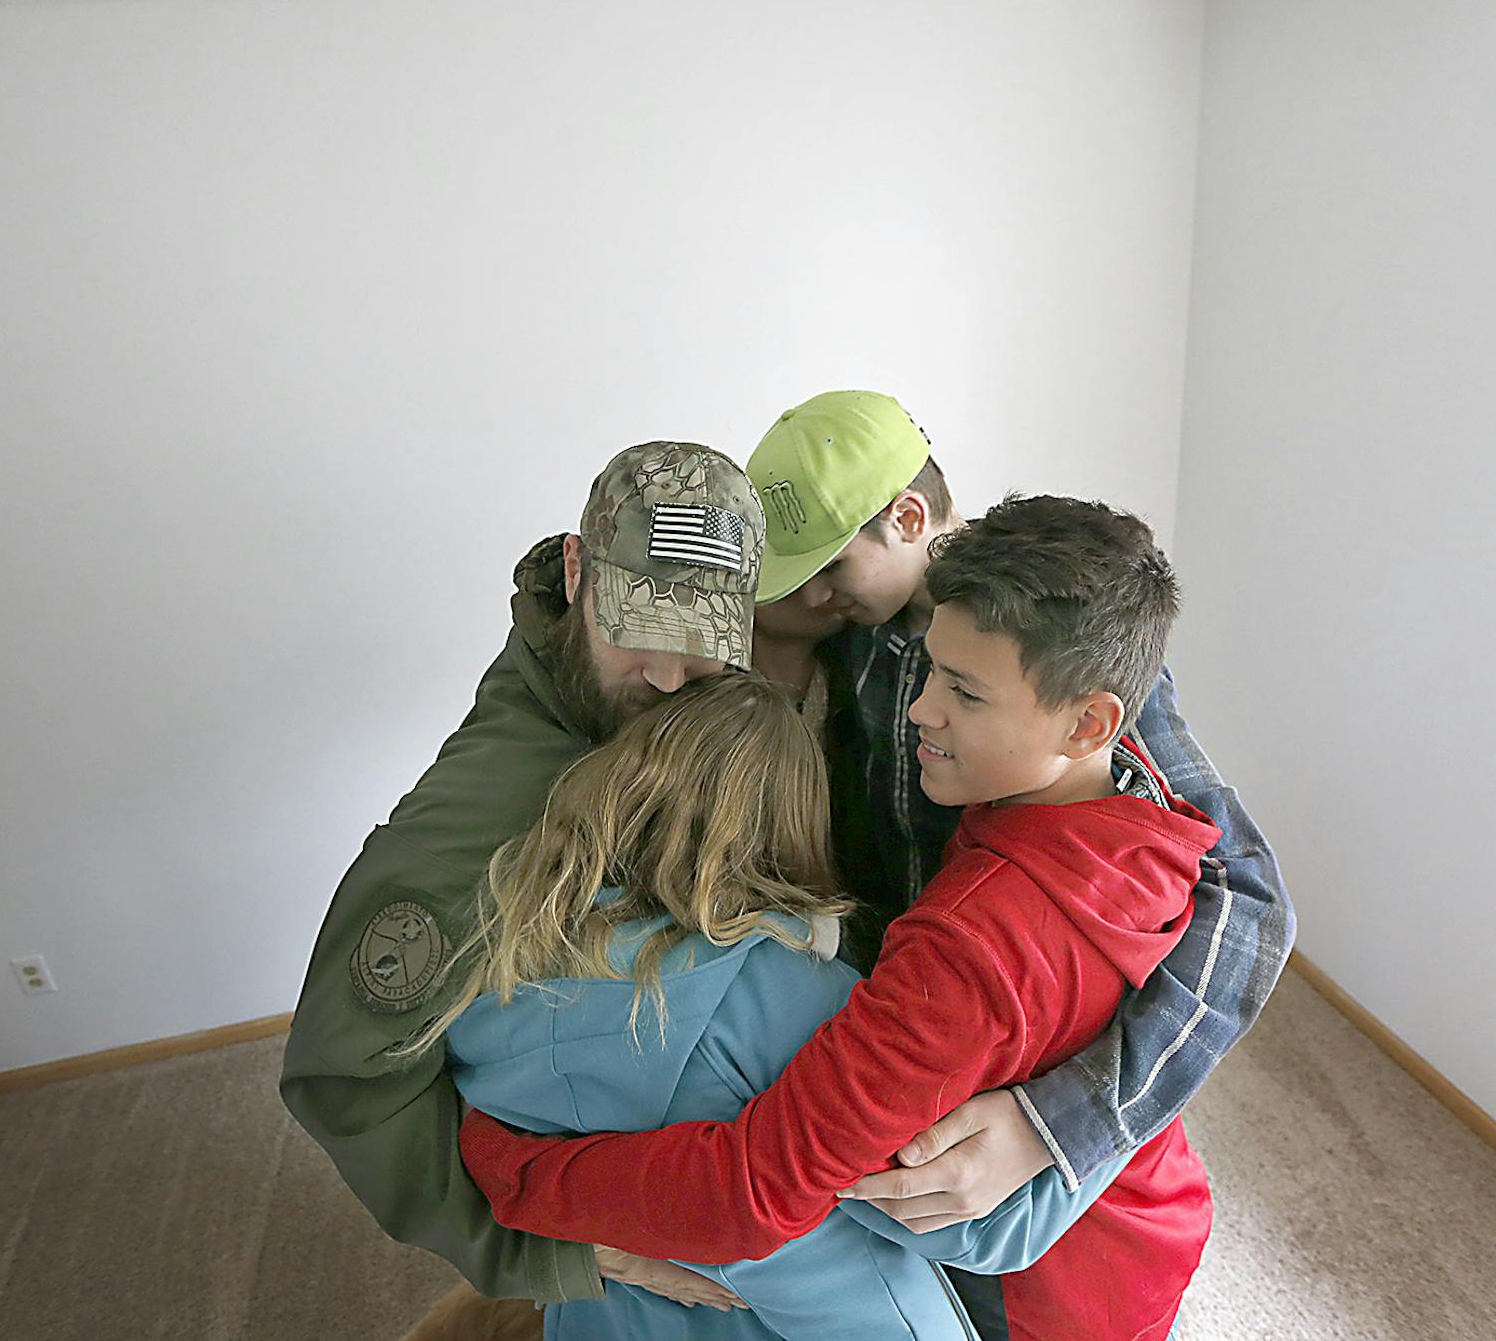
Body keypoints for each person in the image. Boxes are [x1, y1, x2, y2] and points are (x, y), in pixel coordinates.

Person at [464, 497, 1224, 1340]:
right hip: (1153, 1211)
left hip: (1052, 1296)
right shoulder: (1138, 814)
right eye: (933, 670)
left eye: (965, 693)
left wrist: (508, 1169)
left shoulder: (968, 947)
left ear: (1090, 724)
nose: (921, 709)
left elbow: (753, 1194)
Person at [744, 394, 1293, 1323]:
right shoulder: (859, 634)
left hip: (1033, 1023)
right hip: (925, 1009)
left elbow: (1249, 901)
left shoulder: (1068, 659)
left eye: (830, 569)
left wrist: (1061, 1126)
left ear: (907, 520)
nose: (812, 599)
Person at [409, 670, 1121, 1339]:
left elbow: (484, 1135)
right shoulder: (799, 999)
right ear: (792, 823)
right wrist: (1112, 1111)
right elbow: (982, 1227)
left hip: (614, 1310)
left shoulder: (497, 959)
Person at [279, 441, 770, 1307]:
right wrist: (543, 1251)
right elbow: (344, 1076)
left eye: (701, 645)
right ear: (576, 572)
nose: (667, 677)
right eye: (637, 631)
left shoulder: (650, 696)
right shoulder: (476, 833)